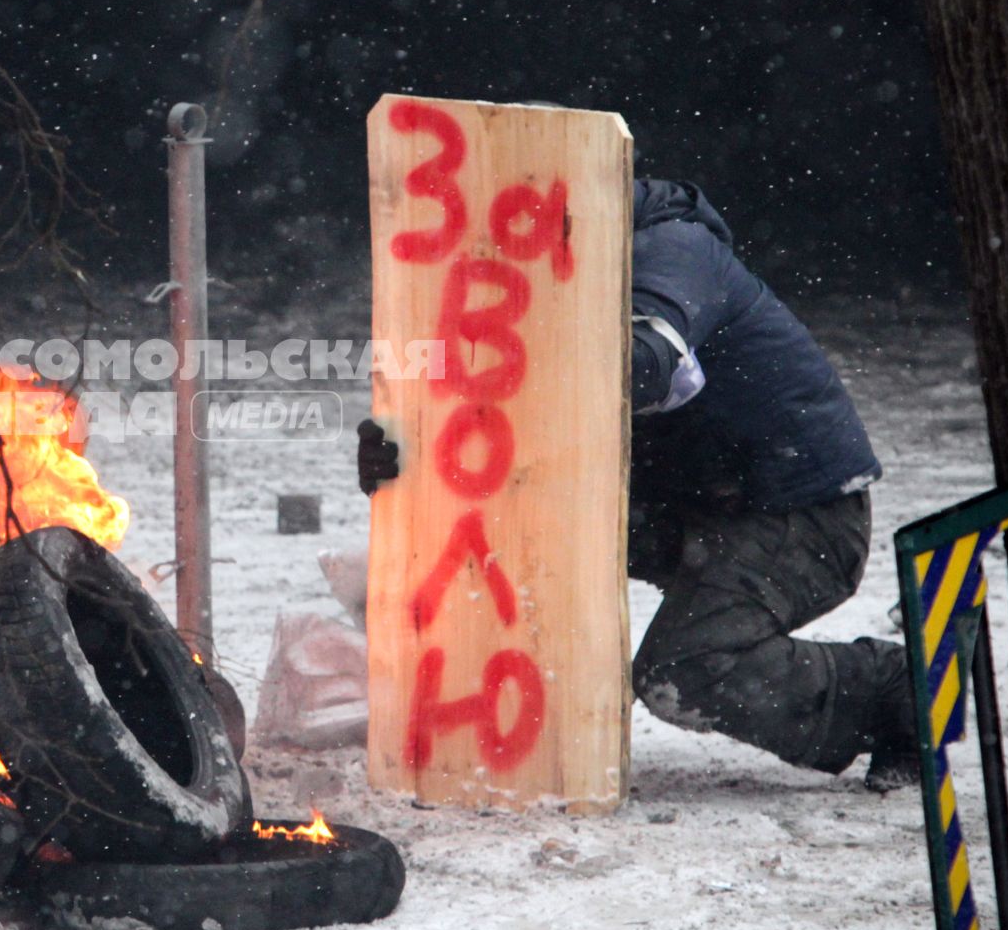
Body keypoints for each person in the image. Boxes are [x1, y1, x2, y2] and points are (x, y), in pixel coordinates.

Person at [357, 177, 917, 790]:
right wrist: (410, 459)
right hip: (706, 506)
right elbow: (504, 442)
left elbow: (645, 364)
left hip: (800, 514)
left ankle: (894, 691)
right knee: (499, 508)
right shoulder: (564, 266)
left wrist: (503, 366)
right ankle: (527, 720)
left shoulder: (673, 247)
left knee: (683, 671)